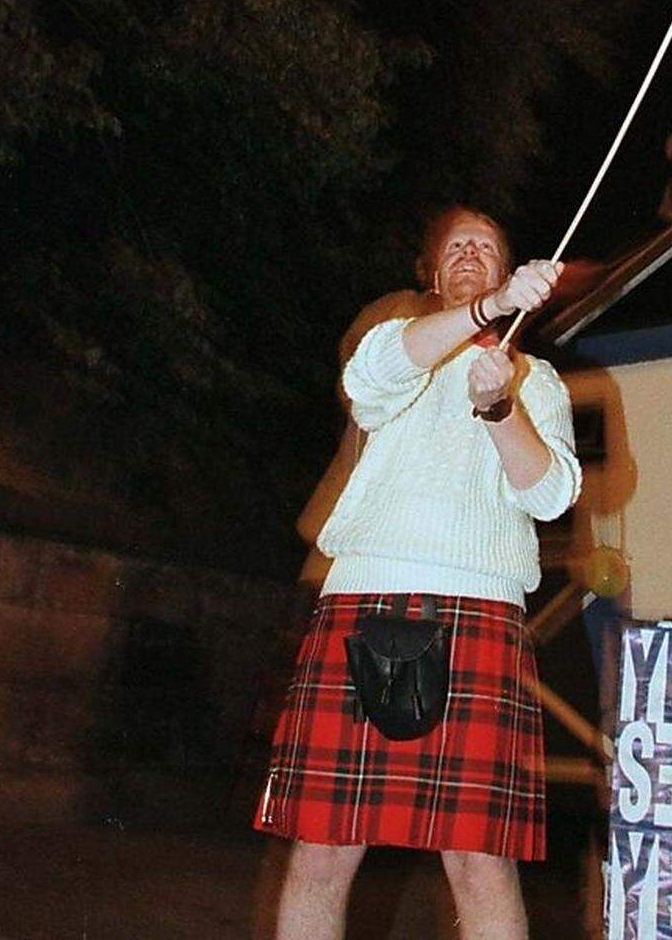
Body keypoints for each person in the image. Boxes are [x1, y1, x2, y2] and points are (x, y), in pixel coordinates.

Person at [255, 206, 580, 940]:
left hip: (480, 609)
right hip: (362, 600)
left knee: (480, 860)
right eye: (457, 247)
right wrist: (487, 311)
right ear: (436, 275)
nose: (470, 252)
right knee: (321, 849)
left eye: (488, 248)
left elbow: (551, 492)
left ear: (509, 269)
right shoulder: (395, 348)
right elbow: (367, 380)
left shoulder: (538, 378)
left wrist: (499, 409)